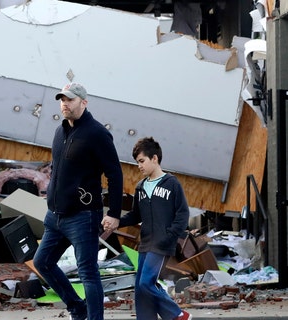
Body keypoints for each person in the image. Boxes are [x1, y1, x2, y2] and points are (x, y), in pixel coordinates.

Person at [33, 83, 124, 320]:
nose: (65, 103)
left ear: (84, 102)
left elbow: (114, 174)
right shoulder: (59, 132)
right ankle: (77, 307)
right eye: (62, 99)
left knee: (88, 274)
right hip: (55, 216)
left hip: (83, 216)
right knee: (42, 263)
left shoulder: (97, 133)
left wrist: (114, 212)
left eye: (70, 100)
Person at [106, 137, 192, 320]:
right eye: (137, 162)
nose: (139, 166)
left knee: (146, 283)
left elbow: (183, 214)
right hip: (145, 244)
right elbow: (136, 215)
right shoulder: (141, 187)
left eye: (142, 161)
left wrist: (169, 236)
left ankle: (177, 314)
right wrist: (117, 222)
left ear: (155, 158)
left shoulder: (172, 183)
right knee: (141, 288)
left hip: (161, 244)